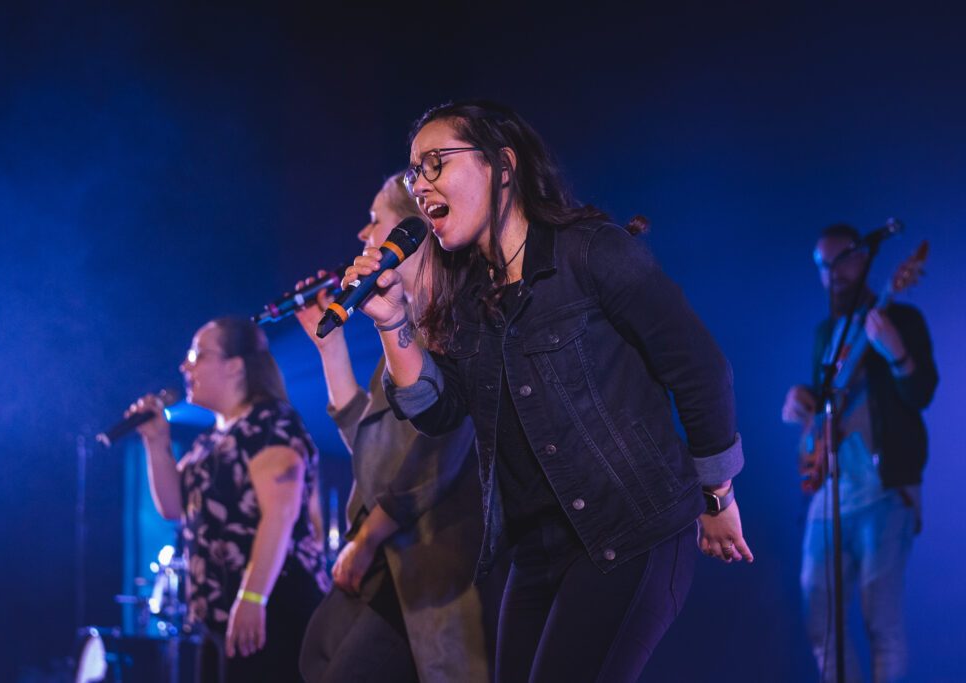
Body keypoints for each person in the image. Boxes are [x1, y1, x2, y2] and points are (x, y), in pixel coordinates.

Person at [343, 100, 752, 682]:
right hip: (537, 553)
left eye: (435, 162)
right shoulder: (466, 299)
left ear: (501, 165)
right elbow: (436, 409)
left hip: (630, 532)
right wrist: (391, 322)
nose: (420, 185)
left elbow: (699, 367)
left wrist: (717, 494)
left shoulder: (590, 251)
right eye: (414, 172)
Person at [295, 174, 497, 682]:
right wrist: (330, 351)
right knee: (318, 658)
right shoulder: (405, 330)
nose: (364, 234)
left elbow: (433, 464)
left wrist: (363, 539)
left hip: (434, 562)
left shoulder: (455, 327)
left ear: (415, 228)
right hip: (394, 561)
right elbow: (372, 454)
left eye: (375, 219)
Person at [127, 317, 329, 683]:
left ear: (236, 366)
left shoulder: (271, 424)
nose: (185, 366)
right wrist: (156, 442)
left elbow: (279, 515)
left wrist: (253, 598)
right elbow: (173, 507)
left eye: (198, 355)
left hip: (272, 608)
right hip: (221, 614)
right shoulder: (213, 439)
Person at [782, 224, 938, 683]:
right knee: (820, 623)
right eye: (822, 265)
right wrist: (802, 404)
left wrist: (896, 353)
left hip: (885, 493)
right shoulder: (826, 333)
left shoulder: (902, 319)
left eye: (841, 259)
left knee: (880, 624)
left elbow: (921, 392)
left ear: (864, 260)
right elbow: (831, 401)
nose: (832, 273)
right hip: (831, 494)